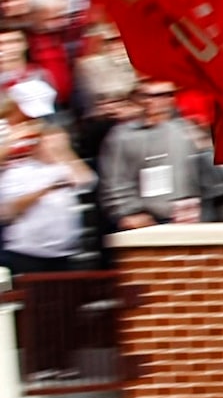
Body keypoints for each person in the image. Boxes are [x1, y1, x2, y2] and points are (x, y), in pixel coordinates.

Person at [98, 78, 211, 228]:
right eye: (151, 96)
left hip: (189, 217)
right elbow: (114, 182)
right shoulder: (122, 137)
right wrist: (127, 213)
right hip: (147, 220)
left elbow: (208, 171)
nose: (159, 101)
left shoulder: (186, 130)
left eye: (167, 95)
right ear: (139, 98)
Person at [1, 113, 95, 274]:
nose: (55, 147)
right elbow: (8, 210)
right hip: (27, 253)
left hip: (62, 253)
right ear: (38, 144)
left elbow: (87, 181)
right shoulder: (19, 171)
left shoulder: (65, 167)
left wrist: (64, 154)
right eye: (50, 142)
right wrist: (46, 189)